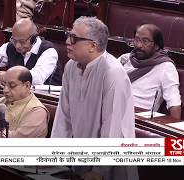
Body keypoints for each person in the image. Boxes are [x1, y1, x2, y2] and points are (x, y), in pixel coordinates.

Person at [51, 16, 137, 180]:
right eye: (69, 35)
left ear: (93, 46)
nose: (68, 41)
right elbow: (64, 117)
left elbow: (112, 128)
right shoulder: (70, 66)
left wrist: (99, 170)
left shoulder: (112, 73)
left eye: (74, 38)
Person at [0, 18, 62, 85]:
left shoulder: (48, 51)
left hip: (47, 100)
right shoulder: (10, 47)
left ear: (34, 39)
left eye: (22, 42)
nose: (17, 46)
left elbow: (37, 77)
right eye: (14, 40)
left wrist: (8, 76)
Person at [118, 24, 181, 119]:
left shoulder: (165, 66)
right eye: (137, 40)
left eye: (145, 41)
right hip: (112, 109)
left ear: (156, 46)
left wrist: (176, 131)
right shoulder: (125, 59)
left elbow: (174, 102)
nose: (139, 45)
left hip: (138, 119)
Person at [0, 66, 49, 138]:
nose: (5, 90)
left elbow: (17, 141)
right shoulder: (0, 102)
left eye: (12, 85)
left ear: (27, 85)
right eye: (3, 85)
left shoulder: (37, 110)